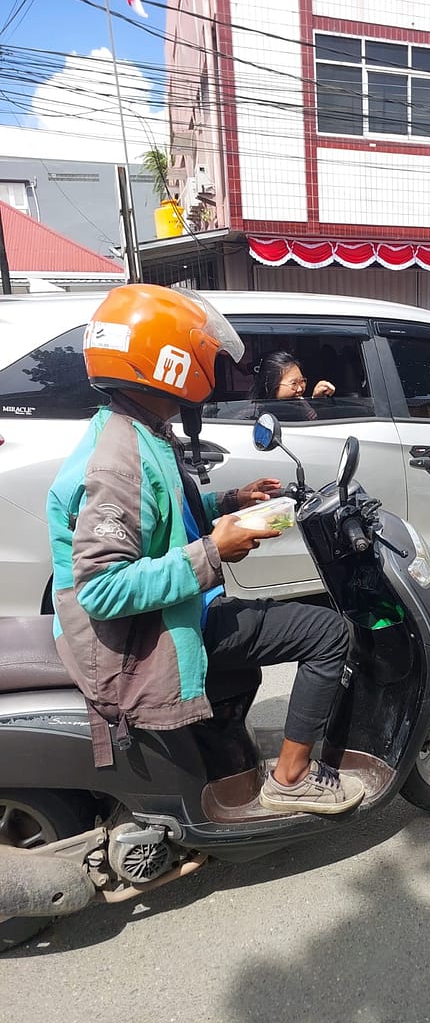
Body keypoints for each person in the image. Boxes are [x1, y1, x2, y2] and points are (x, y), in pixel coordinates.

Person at [47, 283, 364, 816]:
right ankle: (291, 780)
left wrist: (229, 502)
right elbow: (101, 589)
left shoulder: (133, 427)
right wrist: (213, 551)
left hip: (162, 615)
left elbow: (158, 514)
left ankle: (226, 760)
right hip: (145, 635)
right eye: (204, 356)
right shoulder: (119, 461)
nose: (210, 370)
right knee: (329, 633)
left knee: (255, 649)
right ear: (169, 361)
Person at [251, 350, 335, 421]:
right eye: (294, 383)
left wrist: (317, 401)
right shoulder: (258, 416)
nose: (300, 389)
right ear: (271, 385)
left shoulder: (301, 405)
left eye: (302, 381)